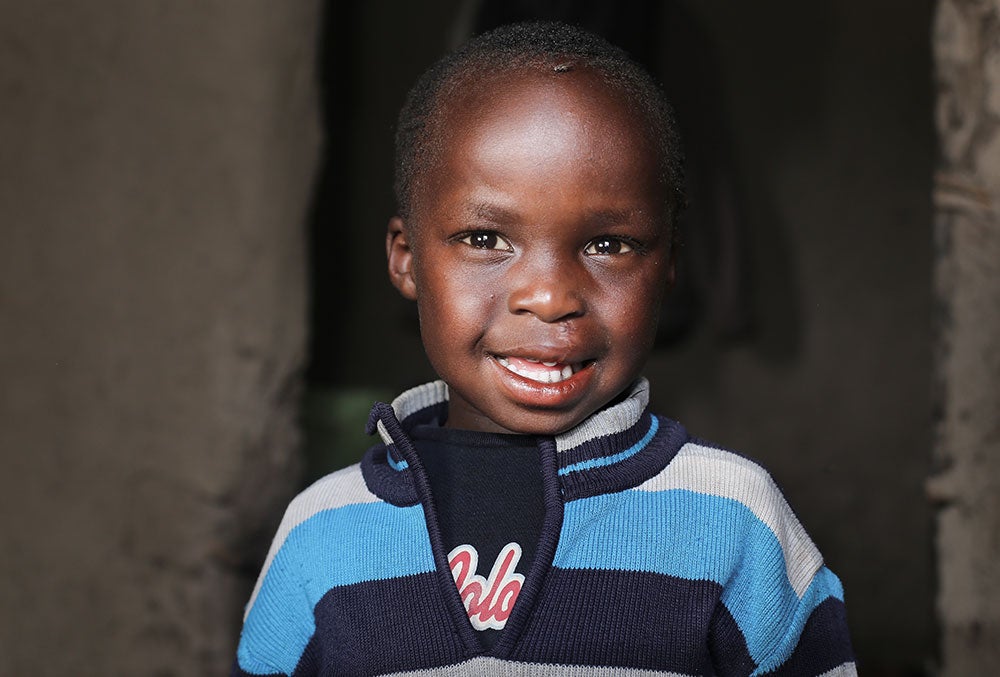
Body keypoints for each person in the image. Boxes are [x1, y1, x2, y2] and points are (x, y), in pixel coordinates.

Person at [232, 21, 855, 677]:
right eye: (483, 238)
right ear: (407, 258)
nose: (551, 295)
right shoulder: (322, 534)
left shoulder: (735, 520)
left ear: (669, 266)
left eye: (608, 244)